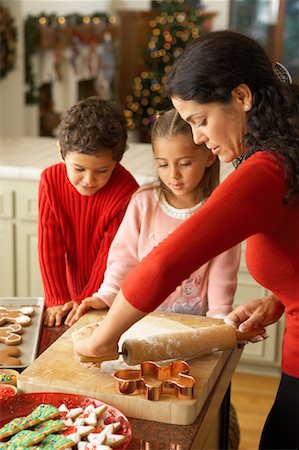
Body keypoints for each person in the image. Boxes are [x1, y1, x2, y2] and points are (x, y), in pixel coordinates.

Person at [73, 31, 299, 449]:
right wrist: (279, 300)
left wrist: (102, 339)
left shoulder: (267, 169)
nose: (197, 138)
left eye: (200, 120)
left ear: (242, 97)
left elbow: (166, 261)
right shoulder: (288, 147)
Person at [69, 108, 240, 326]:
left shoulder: (220, 213)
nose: (173, 175)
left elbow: (222, 277)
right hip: (137, 321)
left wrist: (220, 320)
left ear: (208, 156)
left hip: (191, 326)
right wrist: (107, 294)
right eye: (163, 164)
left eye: (185, 163)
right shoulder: (144, 202)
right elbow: (124, 258)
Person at [38, 96, 138, 327]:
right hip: (71, 294)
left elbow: (110, 255)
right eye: (78, 168)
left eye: (102, 170)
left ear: (117, 160)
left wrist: (87, 300)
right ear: (61, 153)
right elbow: (49, 246)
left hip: (109, 296)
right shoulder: (50, 181)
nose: (89, 180)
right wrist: (57, 299)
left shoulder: (125, 191)